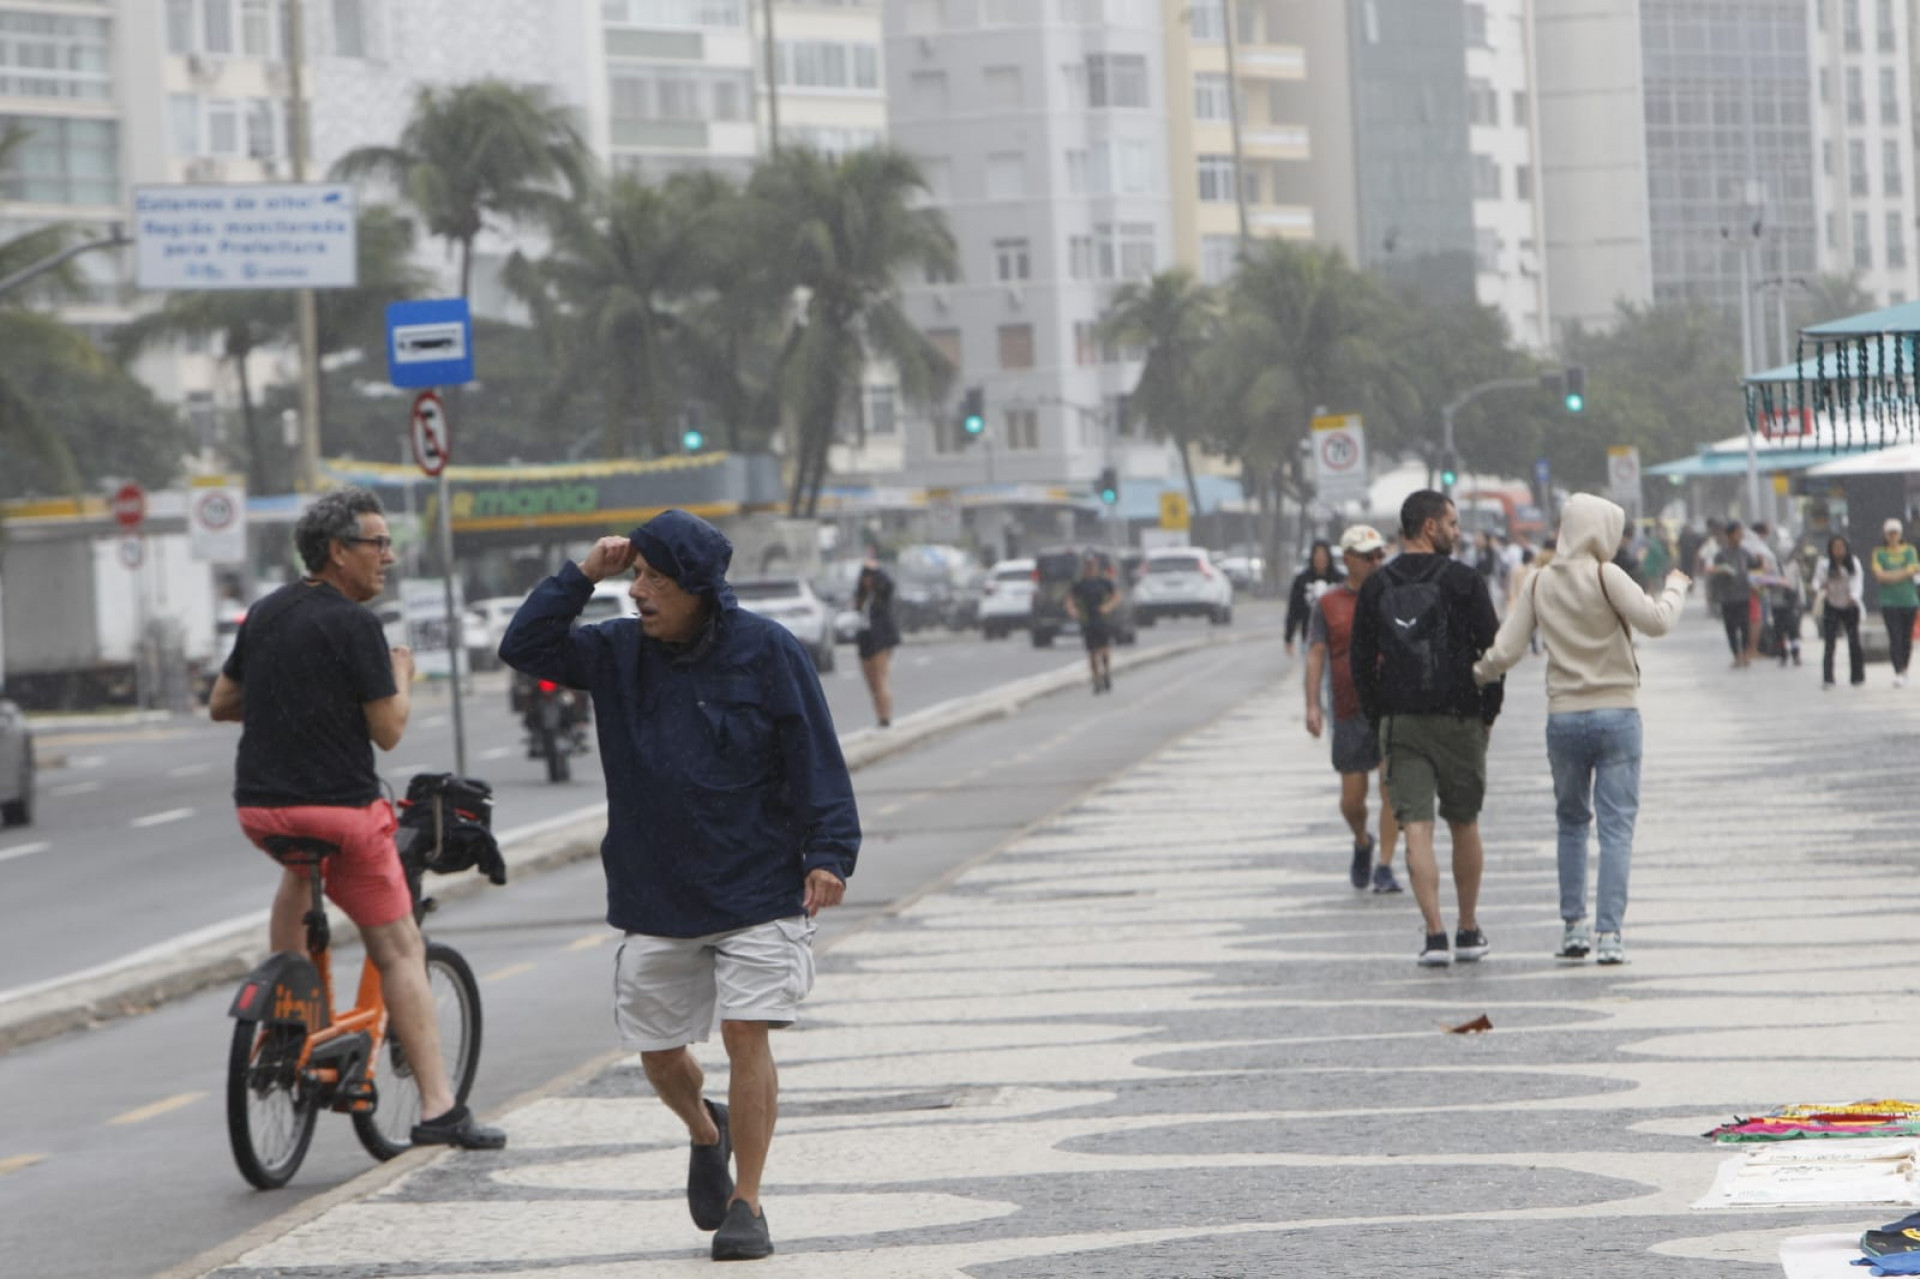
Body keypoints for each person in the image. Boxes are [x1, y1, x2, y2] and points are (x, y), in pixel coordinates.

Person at [499, 509, 859, 1262]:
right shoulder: (616, 651)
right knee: (659, 1051)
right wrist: (583, 574)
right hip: (656, 889)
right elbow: (523, 645)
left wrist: (829, 852)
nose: (638, 591)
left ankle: (746, 1203)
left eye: (655, 579)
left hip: (758, 883)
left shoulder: (769, 651)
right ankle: (705, 1128)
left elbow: (814, 753)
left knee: (745, 1032)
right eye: (637, 575)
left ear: (697, 586)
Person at [208, 488, 505, 1152]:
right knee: (399, 947)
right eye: (378, 544)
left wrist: (292, 691)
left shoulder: (266, 611)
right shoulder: (355, 625)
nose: (388, 557)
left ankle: (287, 1016)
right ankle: (439, 1106)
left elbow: (222, 702)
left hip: (260, 808)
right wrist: (402, 675)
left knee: (298, 870)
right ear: (339, 551)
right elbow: (388, 730)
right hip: (341, 811)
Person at [1474, 494, 1690, 966]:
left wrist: (1476, 674)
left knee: (1571, 824)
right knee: (1616, 829)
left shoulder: (1539, 582)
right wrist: (1676, 587)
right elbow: (1656, 622)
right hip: (1617, 715)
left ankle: (1574, 927)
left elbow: (1506, 650)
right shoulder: (1605, 574)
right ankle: (1610, 934)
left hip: (1564, 718)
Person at [1351, 490, 1505, 967]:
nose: (1458, 533)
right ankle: (1468, 928)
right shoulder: (1464, 580)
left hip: (1402, 722)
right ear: (1429, 527)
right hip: (1459, 717)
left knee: (1415, 827)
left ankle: (1435, 935)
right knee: (1464, 822)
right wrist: (1487, 713)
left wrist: (1381, 719)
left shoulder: (1376, 585)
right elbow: (1493, 652)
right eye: (1452, 524)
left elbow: (1361, 662)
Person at [1303, 524, 1403, 895]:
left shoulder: (1395, 596)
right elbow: (1316, 655)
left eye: (1380, 555)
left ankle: (1385, 865)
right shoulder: (1328, 604)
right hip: (1349, 710)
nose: (1376, 562)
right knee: (1352, 800)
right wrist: (1312, 705)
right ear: (1347, 560)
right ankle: (1363, 840)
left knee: (1392, 786)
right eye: (1367, 556)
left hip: (1392, 707)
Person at [1871, 517, 1919, 687]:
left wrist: (1890, 576)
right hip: (1889, 602)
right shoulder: (1879, 553)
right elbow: (1879, 575)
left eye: (1895, 533)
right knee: (1894, 637)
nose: (1892, 536)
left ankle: (1904, 667)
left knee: (1906, 638)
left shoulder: (1910, 551)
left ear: (1900, 534)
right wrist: (1902, 574)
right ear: (1885, 535)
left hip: (1909, 601)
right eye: (1889, 533)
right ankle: (1898, 670)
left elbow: (1912, 569)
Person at [1813, 535, 1866, 689]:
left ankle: (1857, 676)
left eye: (1841, 547)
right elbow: (1816, 582)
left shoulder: (1853, 562)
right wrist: (1821, 586)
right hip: (1832, 604)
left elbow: (1858, 582)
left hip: (1849, 605)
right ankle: (1828, 678)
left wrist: (1853, 596)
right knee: (1830, 642)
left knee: (1854, 641)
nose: (1838, 551)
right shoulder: (1824, 564)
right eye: (1835, 548)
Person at [853, 560, 901, 726]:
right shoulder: (862, 597)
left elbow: (889, 584)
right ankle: (879, 715)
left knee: (881, 678)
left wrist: (876, 568)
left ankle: (885, 717)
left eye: (870, 576)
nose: (867, 580)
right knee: (871, 680)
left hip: (880, 639)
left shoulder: (882, 593)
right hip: (865, 638)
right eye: (865, 576)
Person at [1065, 551, 1120, 693]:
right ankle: (1096, 679)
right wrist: (1072, 610)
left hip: (1102, 619)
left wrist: (1108, 607)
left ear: (1096, 564)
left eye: (1092, 564)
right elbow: (1070, 598)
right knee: (1092, 653)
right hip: (1087, 620)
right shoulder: (1080, 582)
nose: (1090, 566)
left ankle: (1106, 673)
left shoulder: (1103, 580)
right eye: (1088, 564)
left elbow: (1115, 596)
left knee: (1104, 650)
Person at [1707, 522, 1757, 666]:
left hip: (1743, 595)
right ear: (1730, 535)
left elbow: (1754, 566)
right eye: (1737, 533)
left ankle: (1745, 654)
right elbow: (1714, 574)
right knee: (1730, 627)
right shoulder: (1721, 555)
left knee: (1744, 626)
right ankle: (1736, 655)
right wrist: (1720, 572)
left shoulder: (1745, 553)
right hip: (1727, 596)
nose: (1740, 536)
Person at [1284, 540, 1343, 657]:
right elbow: (1293, 610)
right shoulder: (1302, 580)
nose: (1321, 559)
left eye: (1324, 555)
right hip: (1309, 636)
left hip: (1335, 638)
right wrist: (1289, 637)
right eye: (1317, 555)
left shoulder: (1340, 580)